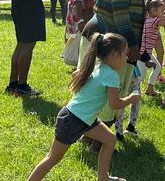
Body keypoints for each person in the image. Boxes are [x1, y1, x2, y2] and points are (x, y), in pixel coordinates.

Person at [28, 33, 138, 181]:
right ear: (115, 55)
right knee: (53, 158)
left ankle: (103, 178)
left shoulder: (97, 67)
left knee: (109, 140)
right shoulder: (112, 76)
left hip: (84, 118)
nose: (127, 57)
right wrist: (131, 99)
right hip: (73, 120)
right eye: (125, 54)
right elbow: (114, 104)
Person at [81, 0, 145, 129]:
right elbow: (120, 14)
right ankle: (99, 143)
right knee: (109, 97)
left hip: (98, 36)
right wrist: (132, 44)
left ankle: (93, 139)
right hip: (112, 45)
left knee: (91, 93)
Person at [66, 0, 102, 68]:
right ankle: (75, 59)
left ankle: (88, 59)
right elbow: (78, 2)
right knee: (76, 33)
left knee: (90, 33)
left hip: (89, 8)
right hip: (77, 9)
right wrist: (81, 20)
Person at [139, 0, 165, 96]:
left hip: (146, 52)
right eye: (161, 11)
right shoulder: (154, 21)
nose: (163, 13)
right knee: (141, 75)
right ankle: (133, 92)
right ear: (153, 11)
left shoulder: (149, 20)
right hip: (143, 54)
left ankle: (150, 89)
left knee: (157, 67)